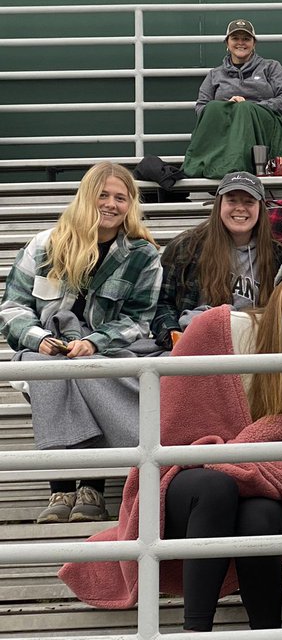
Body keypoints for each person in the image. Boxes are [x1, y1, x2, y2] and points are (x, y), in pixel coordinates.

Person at [60, 246, 282, 640]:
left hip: (254, 479)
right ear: (281, 285)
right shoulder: (221, 327)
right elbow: (171, 417)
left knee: (264, 513)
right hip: (185, 478)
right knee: (217, 487)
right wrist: (220, 454)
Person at [0, 163, 161, 524]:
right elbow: (12, 306)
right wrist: (39, 338)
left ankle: (88, 487)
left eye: (120, 198)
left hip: (108, 348)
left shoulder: (143, 255)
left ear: (130, 205)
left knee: (90, 371)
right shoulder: (45, 244)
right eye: (102, 195)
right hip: (46, 346)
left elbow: (138, 320)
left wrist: (94, 342)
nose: (111, 204)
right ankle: (64, 487)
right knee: (51, 369)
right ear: (86, 197)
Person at [152, 172, 282, 351]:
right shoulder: (185, 247)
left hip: (251, 346)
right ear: (219, 205)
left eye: (249, 202)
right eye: (232, 200)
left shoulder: (276, 255)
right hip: (195, 345)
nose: (240, 208)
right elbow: (162, 303)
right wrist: (173, 335)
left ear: (260, 208)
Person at [182, 19, 282, 180]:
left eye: (246, 39)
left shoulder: (271, 67)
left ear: (254, 43)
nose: (241, 43)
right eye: (235, 38)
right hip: (224, 129)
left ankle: (234, 167)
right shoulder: (214, 74)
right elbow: (202, 108)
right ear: (227, 43)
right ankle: (199, 166)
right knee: (214, 107)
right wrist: (227, 107)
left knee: (243, 109)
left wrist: (252, 107)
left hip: (263, 125)